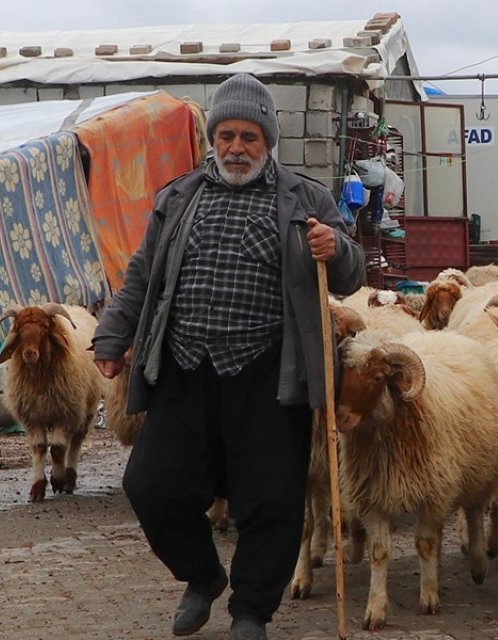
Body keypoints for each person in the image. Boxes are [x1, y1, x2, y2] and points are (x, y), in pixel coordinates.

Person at [92, 73, 365, 640]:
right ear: (212, 139)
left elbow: (348, 277)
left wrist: (335, 247)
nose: (236, 147)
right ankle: (201, 575)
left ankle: (250, 612)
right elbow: (142, 274)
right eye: (226, 136)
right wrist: (112, 337)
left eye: (249, 137)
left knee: (272, 498)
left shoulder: (306, 200)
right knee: (151, 484)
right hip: (185, 367)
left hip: (268, 371)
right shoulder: (179, 196)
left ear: (267, 141)